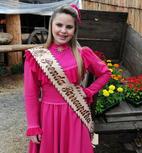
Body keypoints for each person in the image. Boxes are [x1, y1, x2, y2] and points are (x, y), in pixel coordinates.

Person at [24, 4, 111, 153]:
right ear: (51, 25)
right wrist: (33, 125)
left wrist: (89, 92)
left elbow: (105, 73)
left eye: (69, 27)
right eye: (59, 25)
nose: (63, 31)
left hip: (76, 114)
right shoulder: (36, 57)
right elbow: (30, 94)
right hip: (47, 117)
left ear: (74, 30)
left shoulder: (83, 53)